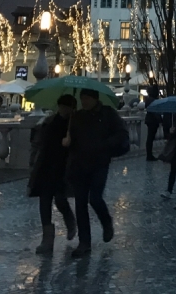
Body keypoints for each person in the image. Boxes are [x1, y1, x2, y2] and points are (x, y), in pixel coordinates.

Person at [65, 88, 128, 258]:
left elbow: (121, 134)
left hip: (99, 163)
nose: (84, 101)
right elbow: (72, 141)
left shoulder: (108, 114)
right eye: (82, 98)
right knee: (80, 204)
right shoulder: (77, 116)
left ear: (94, 99)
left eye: (86, 98)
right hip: (79, 164)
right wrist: (68, 140)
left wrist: (105, 144)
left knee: (95, 198)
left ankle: (106, 222)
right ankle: (84, 242)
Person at [28, 94, 77, 254]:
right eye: (62, 106)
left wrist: (71, 141)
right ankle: (47, 239)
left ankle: (69, 219)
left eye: (67, 107)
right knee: (45, 200)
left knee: (60, 199)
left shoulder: (75, 124)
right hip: (46, 166)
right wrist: (33, 160)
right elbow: (38, 142)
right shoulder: (49, 122)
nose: (64, 109)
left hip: (64, 168)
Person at [144, 81, 162, 161]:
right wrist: (160, 120)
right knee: (150, 138)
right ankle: (149, 155)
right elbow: (155, 112)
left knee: (150, 138)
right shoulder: (152, 100)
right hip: (152, 121)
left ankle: (149, 154)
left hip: (150, 121)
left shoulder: (149, 99)